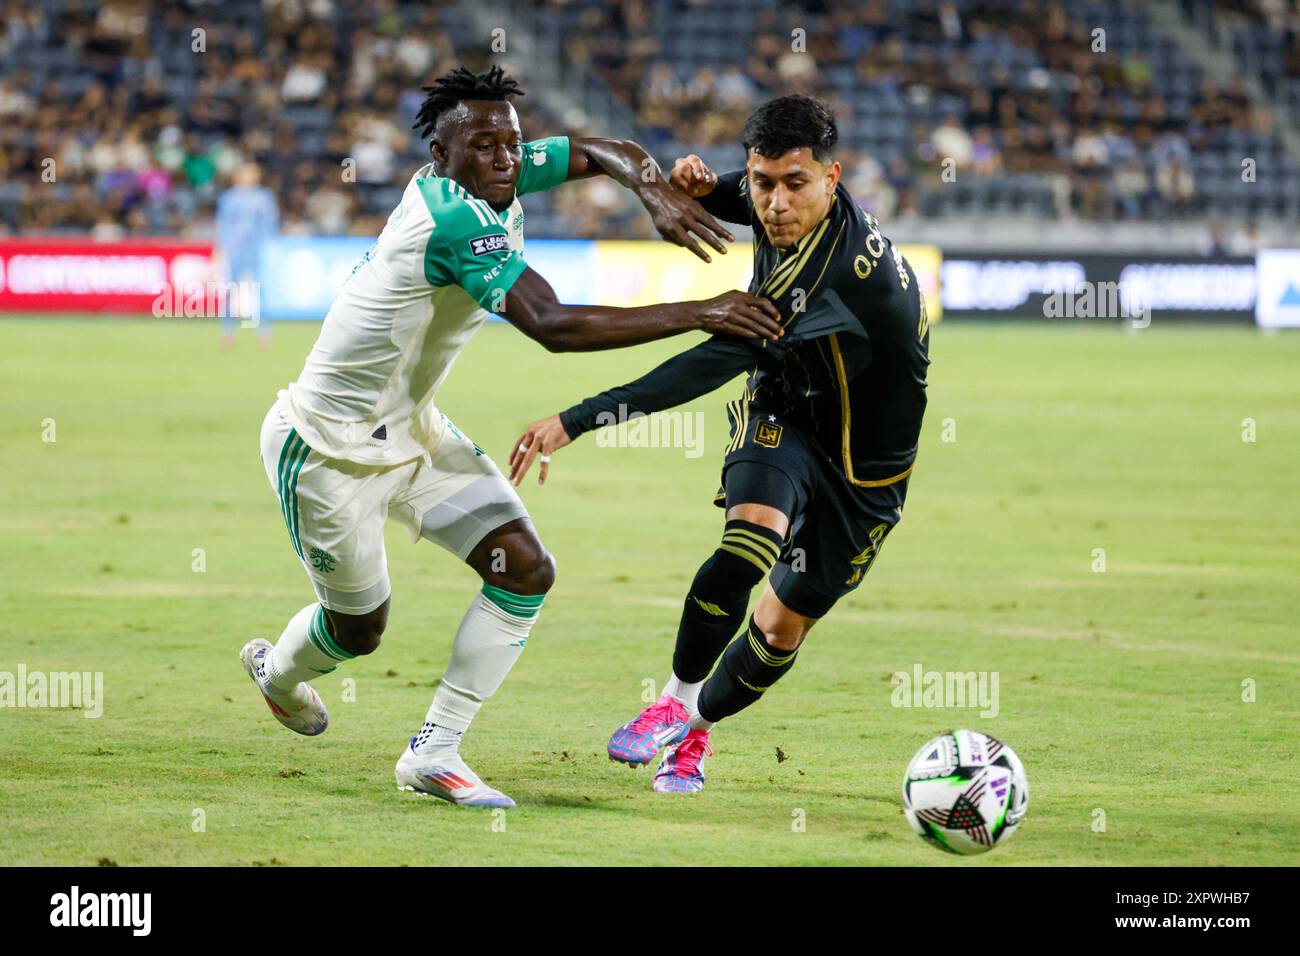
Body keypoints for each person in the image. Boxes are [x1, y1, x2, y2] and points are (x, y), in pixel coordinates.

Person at [239, 66, 781, 808]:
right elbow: (552, 326)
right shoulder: (452, 218)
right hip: (326, 450)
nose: (503, 158)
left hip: (414, 433)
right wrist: (701, 310)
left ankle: (435, 752)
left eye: (511, 143)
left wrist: (649, 187)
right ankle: (279, 674)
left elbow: (606, 145)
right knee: (360, 629)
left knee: (525, 569)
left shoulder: (499, 169)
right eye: (484, 145)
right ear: (440, 153)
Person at [510, 95, 930, 793]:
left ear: (834, 177)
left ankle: (691, 728)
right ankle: (671, 699)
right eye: (763, 182)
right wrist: (704, 189)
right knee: (747, 545)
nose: (774, 204)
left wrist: (576, 419)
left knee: (780, 628)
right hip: (786, 411)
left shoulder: (841, 276)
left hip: (869, 475)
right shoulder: (785, 202)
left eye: (795, 184)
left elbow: (707, 363)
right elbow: (735, 195)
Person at [214, 162, 278, 345]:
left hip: (256, 250)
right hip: (235, 251)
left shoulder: (264, 197)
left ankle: (264, 331)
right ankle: (227, 330)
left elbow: (269, 224)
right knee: (229, 289)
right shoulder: (229, 198)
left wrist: (268, 247)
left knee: (260, 290)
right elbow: (223, 225)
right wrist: (222, 248)